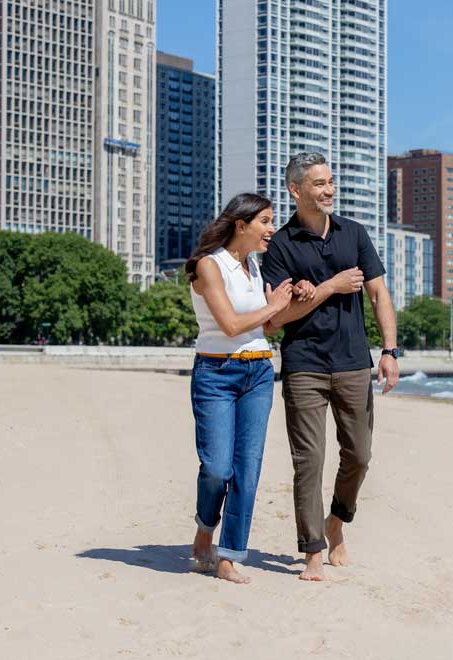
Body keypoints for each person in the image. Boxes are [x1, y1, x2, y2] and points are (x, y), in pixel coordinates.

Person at [261, 153, 401, 582]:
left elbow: (378, 295)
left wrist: (390, 351)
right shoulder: (281, 245)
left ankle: (337, 520)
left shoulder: (354, 234)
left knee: (359, 454)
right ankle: (313, 551)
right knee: (309, 460)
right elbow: (273, 320)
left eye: (331, 181)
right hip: (304, 364)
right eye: (319, 183)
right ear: (296, 190)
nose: (329, 190)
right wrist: (330, 287)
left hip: (354, 364)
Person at [184, 193, 295, 584]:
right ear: (241, 224)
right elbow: (230, 325)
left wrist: (281, 309)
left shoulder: (254, 266)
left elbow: (264, 329)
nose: (271, 229)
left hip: (259, 372)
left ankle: (229, 555)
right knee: (217, 468)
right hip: (216, 373)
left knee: (247, 470)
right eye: (265, 221)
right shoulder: (207, 266)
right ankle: (204, 527)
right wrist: (274, 304)